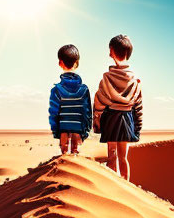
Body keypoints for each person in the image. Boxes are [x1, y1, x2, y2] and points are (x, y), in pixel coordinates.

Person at [93, 34, 143, 179]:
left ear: (111, 52)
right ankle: (126, 187)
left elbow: (99, 102)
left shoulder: (106, 78)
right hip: (127, 119)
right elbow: (138, 106)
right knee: (123, 157)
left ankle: (115, 190)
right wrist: (137, 127)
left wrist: (96, 122)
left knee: (112, 155)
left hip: (111, 118)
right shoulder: (135, 80)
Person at [48, 44, 91, 155]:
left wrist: (56, 131)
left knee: (64, 156)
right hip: (78, 129)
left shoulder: (56, 90)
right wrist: (85, 132)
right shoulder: (84, 89)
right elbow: (87, 113)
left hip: (63, 129)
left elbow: (53, 113)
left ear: (60, 63)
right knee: (75, 155)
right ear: (77, 63)